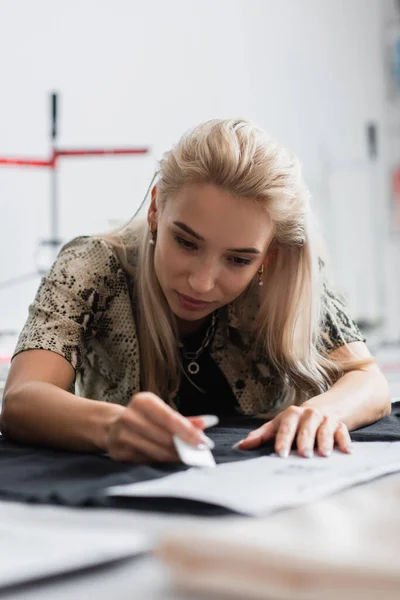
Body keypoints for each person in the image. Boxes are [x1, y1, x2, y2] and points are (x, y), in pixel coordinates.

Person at [0, 118, 391, 463]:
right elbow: (22, 398)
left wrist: (323, 411)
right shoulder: (92, 266)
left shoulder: (288, 275)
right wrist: (112, 425)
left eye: (238, 260)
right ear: (156, 210)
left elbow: (369, 382)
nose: (202, 283)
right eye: (186, 243)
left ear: (267, 258)